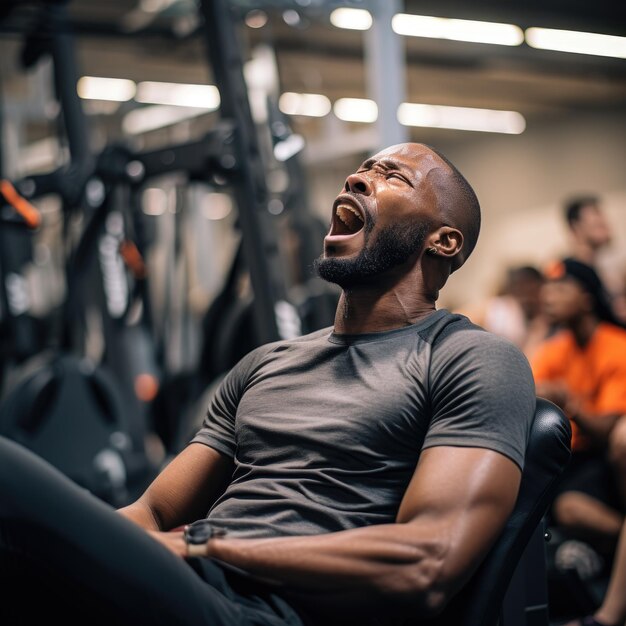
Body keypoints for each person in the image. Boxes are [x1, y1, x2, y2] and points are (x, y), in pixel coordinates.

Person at [0, 143, 536, 626]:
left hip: (268, 612)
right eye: (361, 169)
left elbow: (428, 560)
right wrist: (88, 545)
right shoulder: (267, 363)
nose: (356, 179)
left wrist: (208, 546)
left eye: (393, 177)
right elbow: (154, 513)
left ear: (443, 241)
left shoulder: (472, 359)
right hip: (191, 587)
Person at [531, 259, 626, 549]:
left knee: (570, 509)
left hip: (599, 459)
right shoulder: (553, 349)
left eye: (560, 289)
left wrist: (567, 401)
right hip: (561, 458)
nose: (548, 296)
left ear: (586, 298)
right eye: (547, 288)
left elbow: (606, 432)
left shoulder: (616, 346)